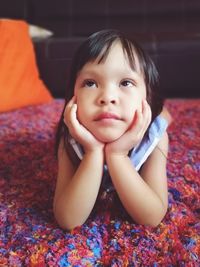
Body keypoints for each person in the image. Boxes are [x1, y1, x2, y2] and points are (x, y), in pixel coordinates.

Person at [53, 29, 171, 230]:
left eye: (126, 82)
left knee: (164, 117)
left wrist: (118, 155)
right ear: (73, 97)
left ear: (147, 97)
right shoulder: (71, 138)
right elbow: (68, 219)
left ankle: (163, 111)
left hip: (148, 118)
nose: (107, 97)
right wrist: (93, 151)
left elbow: (152, 216)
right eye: (90, 83)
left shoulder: (155, 138)